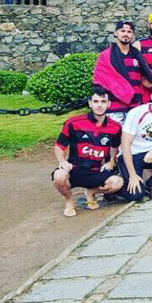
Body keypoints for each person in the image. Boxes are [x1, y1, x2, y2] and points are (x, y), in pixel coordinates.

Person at [52, 86, 124, 217]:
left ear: (109, 104)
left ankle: (91, 192)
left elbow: (115, 146)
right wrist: (62, 162)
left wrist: (111, 161)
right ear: (90, 103)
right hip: (74, 169)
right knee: (59, 177)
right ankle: (69, 201)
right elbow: (59, 146)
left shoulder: (115, 127)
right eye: (96, 101)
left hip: (96, 171)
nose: (99, 105)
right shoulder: (73, 123)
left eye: (103, 101)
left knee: (117, 183)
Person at [93, 20, 152, 123]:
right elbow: (100, 80)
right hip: (115, 108)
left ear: (133, 35)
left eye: (129, 32)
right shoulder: (106, 56)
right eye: (122, 31)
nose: (126, 34)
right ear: (115, 33)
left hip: (136, 106)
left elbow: (143, 78)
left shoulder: (137, 55)